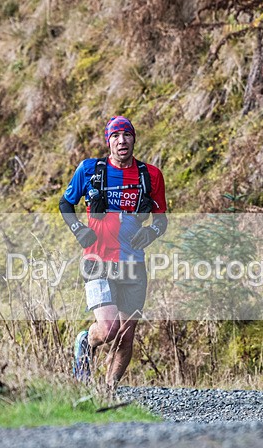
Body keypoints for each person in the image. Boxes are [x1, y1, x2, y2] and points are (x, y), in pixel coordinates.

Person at [59, 116, 168, 393]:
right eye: (116, 136)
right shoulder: (89, 170)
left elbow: (161, 219)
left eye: (127, 135)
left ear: (134, 139)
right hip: (96, 260)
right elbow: (65, 203)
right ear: (108, 141)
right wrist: (77, 229)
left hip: (133, 264)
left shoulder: (150, 175)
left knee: (126, 335)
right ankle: (86, 341)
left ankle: (107, 392)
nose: (122, 141)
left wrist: (151, 233)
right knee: (108, 329)